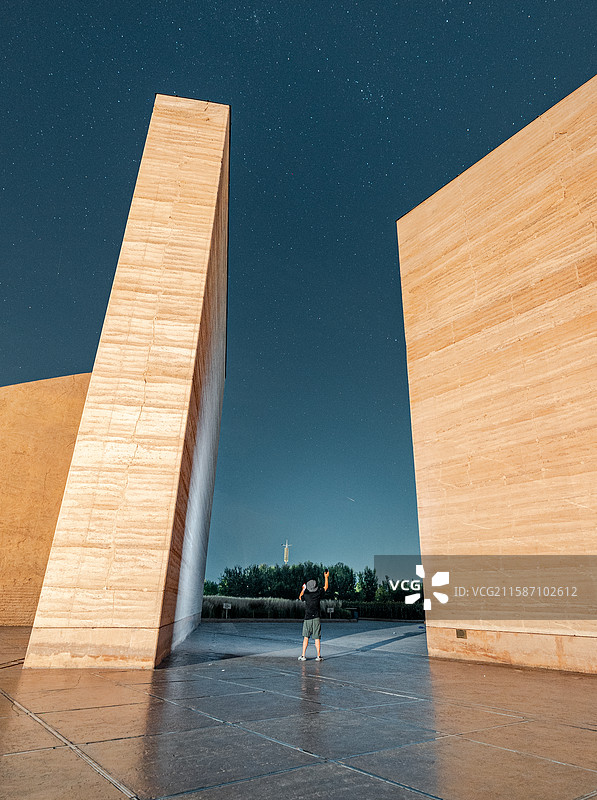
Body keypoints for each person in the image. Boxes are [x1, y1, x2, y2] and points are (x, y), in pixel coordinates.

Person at [298, 569, 329, 661]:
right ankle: (318, 656)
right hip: (316, 618)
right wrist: (326, 577)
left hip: (307, 618)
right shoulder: (318, 593)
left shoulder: (306, 595)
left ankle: (303, 656)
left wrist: (303, 589)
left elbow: (300, 597)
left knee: (306, 637)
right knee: (317, 638)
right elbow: (326, 587)